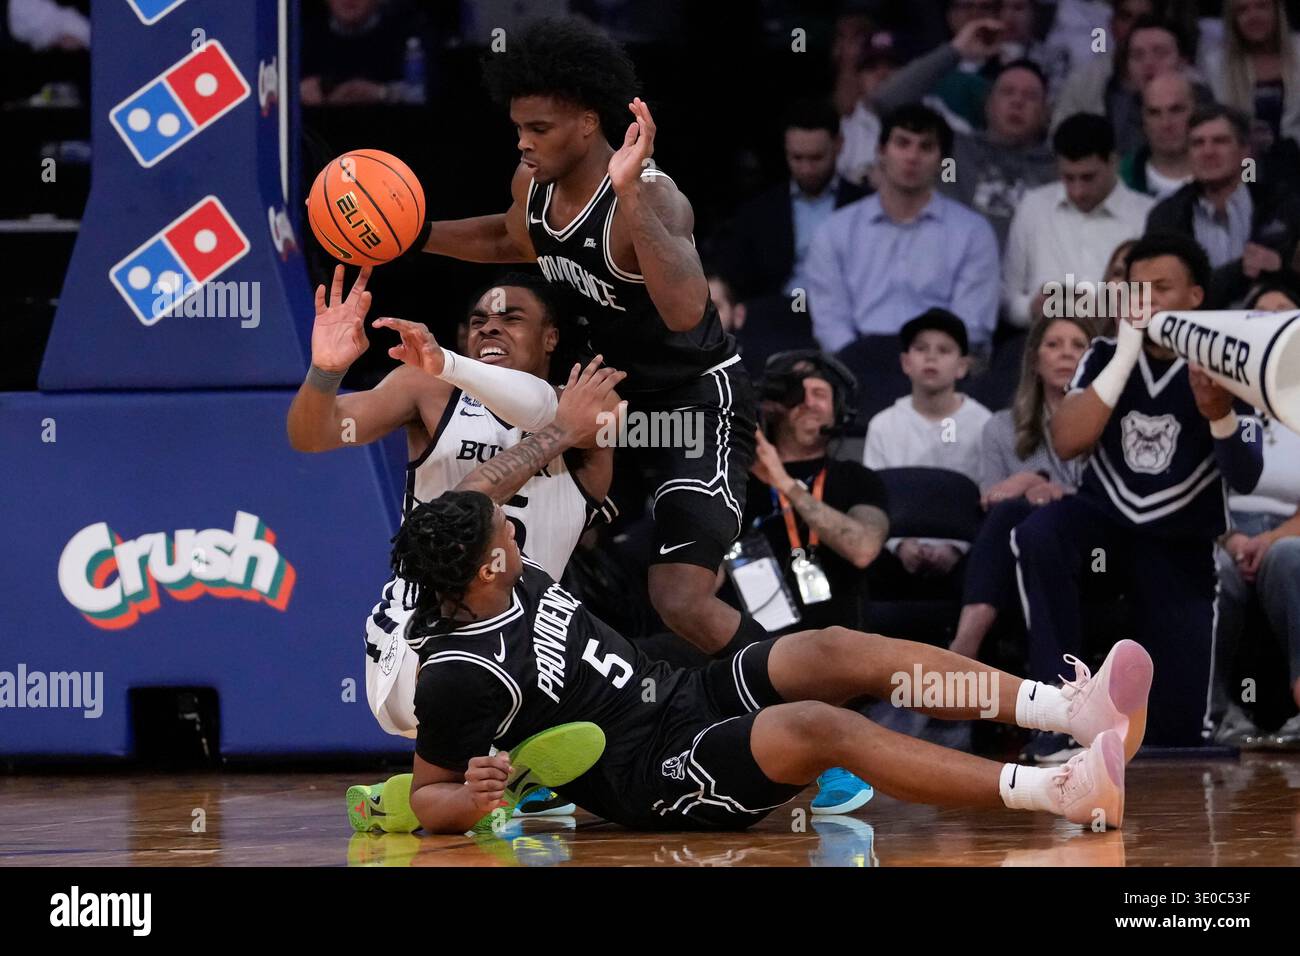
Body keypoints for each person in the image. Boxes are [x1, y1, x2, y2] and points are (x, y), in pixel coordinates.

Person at [400, 419, 1154, 834]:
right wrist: (473, 798)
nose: (512, 526)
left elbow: (470, 494)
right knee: (818, 727)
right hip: (656, 777)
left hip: (678, 696)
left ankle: (1069, 711)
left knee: (830, 648)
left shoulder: (491, 567)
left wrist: (560, 430)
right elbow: (431, 793)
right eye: (503, 530)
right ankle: (1059, 791)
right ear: (482, 569)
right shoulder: (460, 674)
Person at [414, 17, 759, 658]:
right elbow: (507, 239)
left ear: (588, 122)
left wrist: (628, 193)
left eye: (538, 129)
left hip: (691, 405)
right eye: (518, 128)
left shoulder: (653, 197)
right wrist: (415, 232)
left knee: (680, 597)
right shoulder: (533, 183)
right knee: (530, 560)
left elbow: (685, 310)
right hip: (604, 406)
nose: (522, 142)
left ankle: (799, 719)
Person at [286, 267, 615, 818]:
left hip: (527, 655)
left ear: (551, 337)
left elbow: (542, 407)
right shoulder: (428, 391)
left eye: (512, 319)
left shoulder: (589, 408)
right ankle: (491, 778)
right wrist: (325, 371)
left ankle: (419, 797)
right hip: (421, 642)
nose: (491, 329)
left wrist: (560, 427)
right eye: (479, 321)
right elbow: (311, 434)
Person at [1012, 232, 1264, 755]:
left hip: (1181, 539)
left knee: (1175, 745)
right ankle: (1057, 716)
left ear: (1196, 297)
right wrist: (1126, 353)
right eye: (1136, 288)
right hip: (1102, 523)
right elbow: (1067, 439)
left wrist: (1218, 412)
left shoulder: (1232, 359)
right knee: (1038, 533)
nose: (1145, 299)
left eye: (1161, 288)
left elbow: (1246, 476)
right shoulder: (1103, 352)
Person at [731, 351, 890, 815]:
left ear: (840, 412)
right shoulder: (734, 480)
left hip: (832, 649)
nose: (808, 402)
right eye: (796, 392)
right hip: (748, 643)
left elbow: (862, 546)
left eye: (821, 393)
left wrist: (784, 482)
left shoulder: (854, 477)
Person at [948, 314, 1095, 662]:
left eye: (1078, 346)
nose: (1065, 354)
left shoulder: (1110, 424)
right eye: (1053, 344)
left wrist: (1041, 484)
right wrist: (1028, 488)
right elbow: (992, 500)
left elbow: (1111, 499)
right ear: (1035, 359)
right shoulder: (1000, 427)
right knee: (1013, 515)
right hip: (1016, 553)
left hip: (1091, 550)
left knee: (1019, 514)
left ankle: (963, 647)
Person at [807, 104, 1000, 356]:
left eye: (926, 147)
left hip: (940, 369)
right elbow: (829, 321)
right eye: (902, 143)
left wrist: (928, 362)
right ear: (881, 152)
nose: (912, 157)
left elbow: (972, 324)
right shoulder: (835, 230)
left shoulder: (973, 232)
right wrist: (857, 362)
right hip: (857, 364)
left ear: (943, 161)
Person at [1212, 277, 1300, 749]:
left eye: (1284, 313)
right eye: (1259, 315)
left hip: (1291, 532)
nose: (1272, 324)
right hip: (1217, 530)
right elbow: (1190, 487)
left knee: (1291, 558)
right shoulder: (1211, 393)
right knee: (1213, 573)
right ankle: (1212, 713)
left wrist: (1271, 539)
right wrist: (1230, 538)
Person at [864, 309, 991, 583]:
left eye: (944, 350)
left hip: (969, 553)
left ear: (962, 366)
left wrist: (957, 547)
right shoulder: (883, 425)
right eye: (921, 349)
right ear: (906, 362)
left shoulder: (984, 424)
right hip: (894, 552)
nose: (931, 357)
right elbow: (872, 502)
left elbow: (989, 496)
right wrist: (899, 544)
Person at [1002, 112, 1155, 329]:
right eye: (1068, 177)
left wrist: (1105, 309)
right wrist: (1031, 308)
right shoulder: (1033, 207)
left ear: (1113, 162)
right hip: (1040, 341)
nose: (1077, 192)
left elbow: (1157, 298)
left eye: (1088, 177)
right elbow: (1008, 296)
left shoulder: (1147, 215)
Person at [710, 101, 870, 305]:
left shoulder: (865, 204)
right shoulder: (760, 211)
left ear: (839, 144)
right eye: (797, 158)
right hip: (780, 312)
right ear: (785, 149)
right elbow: (739, 278)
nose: (806, 169)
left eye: (816, 158)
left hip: (849, 308)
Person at [1146, 103, 1300, 306]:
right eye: (1197, 143)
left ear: (1245, 151)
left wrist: (1281, 268)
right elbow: (1164, 295)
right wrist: (1240, 270)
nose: (1208, 151)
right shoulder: (1166, 216)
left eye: (1220, 141)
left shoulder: (1283, 205)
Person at [1052, 15, 1199, 156]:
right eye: (1138, 56)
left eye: (1160, 53)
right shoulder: (1113, 106)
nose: (1148, 63)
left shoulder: (1205, 106)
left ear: (1183, 61)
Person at [1200, 0, 1300, 156]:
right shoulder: (1215, 64)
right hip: (1244, 160)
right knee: (1250, 177)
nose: (1253, 16)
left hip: (1296, 157)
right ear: (1233, 19)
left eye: (1261, 6)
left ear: (1277, 11)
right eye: (1242, 10)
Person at [300, 0, 429, 106]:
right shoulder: (301, 36)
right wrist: (296, 93)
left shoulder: (409, 32)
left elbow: (425, 92)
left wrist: (382, 93)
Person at [1120, 71, 1196, 198]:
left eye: (1176, 110)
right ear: (1142, 119)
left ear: (1196, 112)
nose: (1166, 123)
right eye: (1154, 113)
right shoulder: (1120, 180)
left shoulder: (1228, 174)